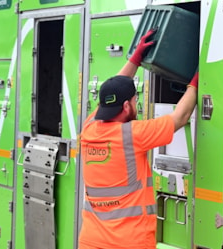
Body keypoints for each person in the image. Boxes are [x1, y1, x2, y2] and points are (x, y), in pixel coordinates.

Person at [78, 29, 198, 249]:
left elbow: (112, 91)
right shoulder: (132, 135)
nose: (136, 104)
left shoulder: (89, 128)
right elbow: (180, 117)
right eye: (135, 100)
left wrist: (135, 58)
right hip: (128, 242)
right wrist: (198, 79)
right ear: (126, 106)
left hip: (91, 241)